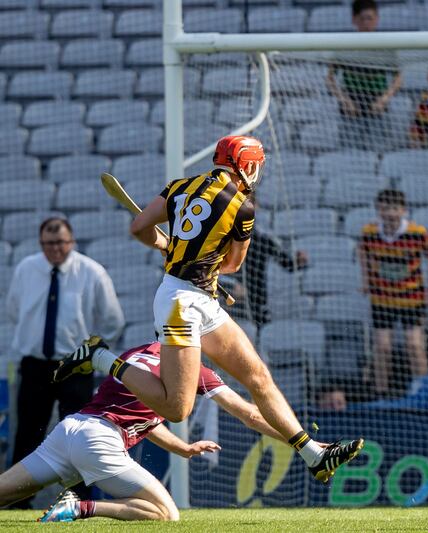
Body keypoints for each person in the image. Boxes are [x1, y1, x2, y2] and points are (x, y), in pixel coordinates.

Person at [55, 135, 363, 484]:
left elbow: (139, 227)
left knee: (257, 376)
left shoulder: (179, 186)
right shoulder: (242, 206)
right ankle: (100, 357)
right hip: (181, 306)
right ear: (246, 165)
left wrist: (169, 246)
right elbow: (232, 264)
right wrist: (194, 258)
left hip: (193, 297)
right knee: (178, 409)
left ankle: (315, 455)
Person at [3, 341, 316, 522]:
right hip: (99, 440)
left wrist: (182, 448)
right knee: (166, 514)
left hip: (70, 429)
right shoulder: (195, 371)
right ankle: (79, 507)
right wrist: (304, 443)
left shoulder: (136, 353)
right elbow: (249, 413)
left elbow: (145, 417)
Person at [5, 216, 124, 509]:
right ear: (40, 243)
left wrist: (87, 351)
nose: (55, 249)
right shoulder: (26, 269)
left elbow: (113, 321)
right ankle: (20, 502)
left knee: (79, 437)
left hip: (75, 367)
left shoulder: (92, 272)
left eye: (61, 243)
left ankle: (79, 502)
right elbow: (13, 310)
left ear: (71, 242)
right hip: (34, 365)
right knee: (28, 433)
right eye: (49, 243)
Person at [358, 189, 428, 396]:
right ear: (378, 210)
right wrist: (366, 279)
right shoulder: (369, 232)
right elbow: (362, 251)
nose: (389, 213)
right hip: (382, 298)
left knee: (414, 345)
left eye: (394, 208)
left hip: (411, 299)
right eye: (385, 208)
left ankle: (423, 391)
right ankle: (381, 393)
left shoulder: (417, 233)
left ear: (403, 210)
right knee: (382, 347)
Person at [326, 0, 403, 151]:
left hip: (378, 106)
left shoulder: (386, 46)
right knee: (349, 150)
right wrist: (344, 100)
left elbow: (398, 78)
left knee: (379, 149)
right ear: (354, 20)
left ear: (377, 19)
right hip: (350, 107)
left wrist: (384, 99)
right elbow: (329, 79)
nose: (367, 23)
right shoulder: (344, 46)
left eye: (371, 18)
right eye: (363, 18)